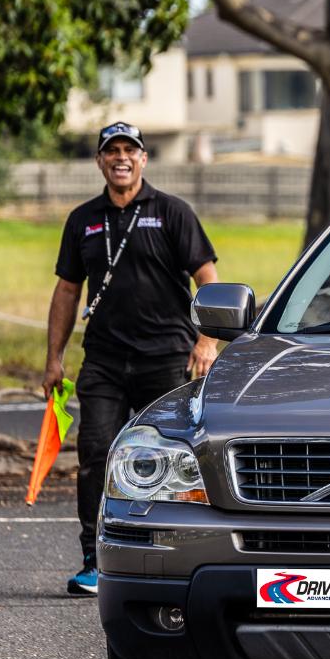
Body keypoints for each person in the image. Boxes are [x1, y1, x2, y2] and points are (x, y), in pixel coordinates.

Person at [42, 122, 219, 596]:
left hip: (164, 360)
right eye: (112, 151)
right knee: (95, 454)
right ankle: (93, 561)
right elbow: (66, 290)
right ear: (100, 161)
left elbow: (209, 278)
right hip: (102, 361)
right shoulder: (82, 219)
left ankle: (168, 558)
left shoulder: (172, 212)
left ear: (143, 159)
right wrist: (53, 359)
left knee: (167, 460)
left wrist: (207, 341)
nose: (121, 158)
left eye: (130, 150)